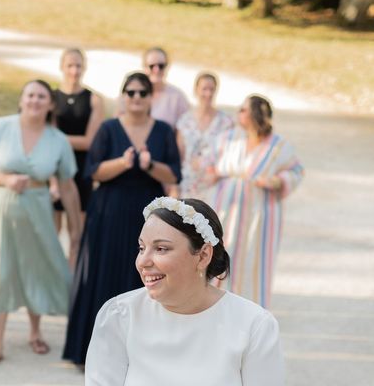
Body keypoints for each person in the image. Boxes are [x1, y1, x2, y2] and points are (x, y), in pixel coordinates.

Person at [85, 197, 285, 385]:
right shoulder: (119, 316)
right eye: (141, 248)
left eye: (161, 249)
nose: (143, 261)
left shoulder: (254, 326)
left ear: (203, 256)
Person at [63, 72, 182, 366]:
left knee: (144, 278)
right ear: (123, 96)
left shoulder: (164, 131)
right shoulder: (108, 128)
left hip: (149, 214)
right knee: (102, 274)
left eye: (143, 92)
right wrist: (123, 163)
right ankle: (92, 351)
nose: (137, 98)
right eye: (131, 92)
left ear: (150, 97)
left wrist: (149, 164)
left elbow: (173, 174)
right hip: (108, 212)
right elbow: (93, 171)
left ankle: (141, 353)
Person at [0, 80, 81, 369]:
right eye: (29, 94)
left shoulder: (58, 140)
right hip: (0, 209)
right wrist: (5, 179)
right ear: (21, 99)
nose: (34, 100)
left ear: (50, 104)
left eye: (41, 96)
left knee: (36, 268)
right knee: (0, 269)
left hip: (38, 209)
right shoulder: (1, 127)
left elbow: (67, 186)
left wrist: (75, 225)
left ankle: (35, 331)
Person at [210, 95, 304, 308]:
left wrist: (277, 181)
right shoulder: (228, 139)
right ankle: (215, 305)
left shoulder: (278, 146)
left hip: (260, 212)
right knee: (223, 252)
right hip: (228, 208)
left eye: (243, 110)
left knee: (254, 260)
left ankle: (251, 310)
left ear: (255, 115)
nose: (238, 113)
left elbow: (297, 171)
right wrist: (211, 172)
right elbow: (209, 163)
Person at [53, 48, 104, 267]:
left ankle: (73, 279)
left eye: (78, 66)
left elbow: (90, 141)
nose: (74, 71)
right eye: (70, 65)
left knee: (78, 232)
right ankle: (53, 275)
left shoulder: (93, 100)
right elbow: (48, 137)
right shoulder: (52, 99)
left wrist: (57, 138)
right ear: (62, 67)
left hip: (81, 168)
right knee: (53, 230)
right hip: (54, 169)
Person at [176, 72, 233, 201]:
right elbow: (179, 154)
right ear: (196, 90)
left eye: (211, 89)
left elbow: (229, 155)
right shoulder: (184, 121)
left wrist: (216, 173)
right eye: (204, 89)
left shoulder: (225, 122)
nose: (208, 94)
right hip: (188, 184)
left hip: (214, 184)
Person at [117, 47, 190, 129]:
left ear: (167, 67)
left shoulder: (177, 97)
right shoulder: (131, 92)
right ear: (144, 67)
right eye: (152, 66)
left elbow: (185, 130)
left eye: (161, 66)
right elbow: (118, 123)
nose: (157, 70)